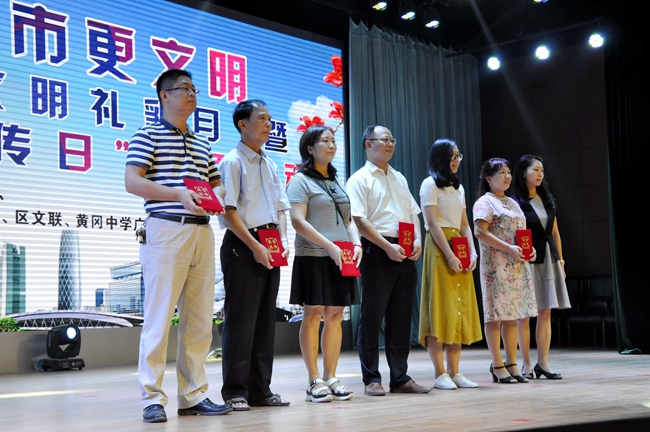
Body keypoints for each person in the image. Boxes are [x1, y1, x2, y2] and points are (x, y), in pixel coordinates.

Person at [125, 69, 232, 423]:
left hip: (202, 231)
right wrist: (177, 194)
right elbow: (132, 181)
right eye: (184, 88)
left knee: (199, 320)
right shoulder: (147, 134)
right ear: (164, 95)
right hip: (166, 228)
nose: (191, 94)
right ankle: (151, 398)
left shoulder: (202, 143)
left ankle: (193, 394)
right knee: (159, 317)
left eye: (194, 89)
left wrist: (216, 197)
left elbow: (216, 183)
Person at [346, 124, 430, 396]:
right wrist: (386, 247)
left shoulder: (399, 177)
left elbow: (413, 213)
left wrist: (418, 240)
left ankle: (400, 377)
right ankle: (371, 378)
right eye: (384, 139)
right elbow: (359, 220)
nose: (391, 144)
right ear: (368, 144)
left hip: (405, 248)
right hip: (377, 249)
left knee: (401, 316)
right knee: (372, 316)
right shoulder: (359, 179)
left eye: (392, 139)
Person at [218, 99, 291, 411]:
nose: (268, 124)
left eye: (270, 119)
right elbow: (228, 211)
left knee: (265, 320)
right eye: (262, 118)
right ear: (242, 124)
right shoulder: (232, 161)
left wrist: (283, 239)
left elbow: (281, 208)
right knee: (241, 320)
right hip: (242, 243)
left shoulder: (270, 163)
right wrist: (254, 245)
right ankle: (235, 391)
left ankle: (261, 390)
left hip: (271, 241)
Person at [287, 125, 362, 403]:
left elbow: (348, 220)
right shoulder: (300, 181)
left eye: (333, 141)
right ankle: (314, 380)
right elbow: (298, 222)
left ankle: (331, 377)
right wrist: (329, 246)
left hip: (341, 256)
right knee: (313, 314)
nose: (331, 146)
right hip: (313, 256)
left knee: (335, 315)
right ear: (310, 148)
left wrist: (356, 244)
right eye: (325, 141)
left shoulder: (335, 181)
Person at [418, 139, 483, 390]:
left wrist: (472, 253)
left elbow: (464, 224)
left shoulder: (459, 188)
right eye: (452, 156)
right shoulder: (429, 184)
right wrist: (449, 255)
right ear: (440, 157)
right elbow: (433, 224)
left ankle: (455, 372)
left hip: (459, 244)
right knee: (440, 307)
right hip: (439, 246)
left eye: (458, 156)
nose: (456, 160)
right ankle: (440, 373)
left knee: (459, 307)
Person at [472, 158, 537, 384]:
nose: (507, 176)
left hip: (516, 266)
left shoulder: (512, 203)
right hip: (496, 267)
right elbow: (480, 232)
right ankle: (497, 364)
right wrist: (508, 248)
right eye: (501, 173)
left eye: (509, 172)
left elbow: (521, 234)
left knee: (512, 314)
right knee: (495, 316)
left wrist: (530, 250)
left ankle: (511, 363)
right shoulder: (484, 202)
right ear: (489, 179)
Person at [511, 155, 569, 380]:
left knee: (546, 312)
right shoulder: (515, 202)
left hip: (549, 260)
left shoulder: (547, 199)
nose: (540, 174)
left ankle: (543, 363)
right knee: (524, 315)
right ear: (523, 172)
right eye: (535, 169)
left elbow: (555, 233)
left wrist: (561, 261)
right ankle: (526, 364)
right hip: (527, 261)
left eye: (542, 170)